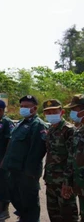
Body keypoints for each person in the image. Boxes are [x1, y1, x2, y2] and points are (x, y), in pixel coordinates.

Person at [2, 95, 48, 222]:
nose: (23, 109)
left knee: (30, 201)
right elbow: (12, 145)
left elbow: (37, 151)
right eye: (21, 106)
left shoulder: (38, 125)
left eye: (27, 107)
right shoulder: (21, 123)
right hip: (14, 169)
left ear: (34, 108)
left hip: (27, 172)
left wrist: (29, 172)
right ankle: (24, 217)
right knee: (15, 196)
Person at [42, 99, 79, 222]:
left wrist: (68, 182)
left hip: (63, 181)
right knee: (54, 213)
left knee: (68, 214)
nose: (51, 114)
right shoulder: (51, 130)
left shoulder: (69, 130)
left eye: (54, 111)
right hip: (51, 179)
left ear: (62, 112)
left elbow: (72, 158)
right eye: (48, 112)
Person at [62, 94, 84, 222]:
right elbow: (72, 158)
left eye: (74, 109)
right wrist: (67, 181)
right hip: (80, 186)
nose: (72, 113)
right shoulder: (78, 131)